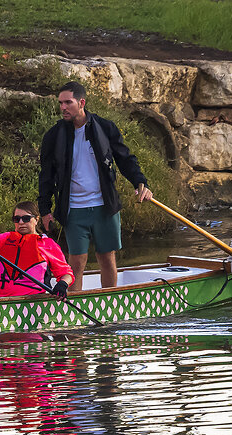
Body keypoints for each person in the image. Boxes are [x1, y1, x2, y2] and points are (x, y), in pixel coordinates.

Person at [38, 80, 153, 289]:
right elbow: (45, 176)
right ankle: (73, 310)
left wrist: (140, 181)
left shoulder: (105, 127)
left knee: (107, 258)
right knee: (76, 263)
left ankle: (109, 304)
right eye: (61, 103)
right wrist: (45, 210)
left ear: (81, 102)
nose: (63, 107)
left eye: (68, 103)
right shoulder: (53, 136)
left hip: (104, 206)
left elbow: (125, 158)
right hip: (74, 208)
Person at [0, 202, 74, 299]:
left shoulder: (47, 244)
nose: (21, 222)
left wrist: (62, 284)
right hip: (0, 300)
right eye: (16, 219)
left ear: (36, 220)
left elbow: (66, 273)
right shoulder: (4, 238)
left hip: (33, 301)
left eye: (26, 218)